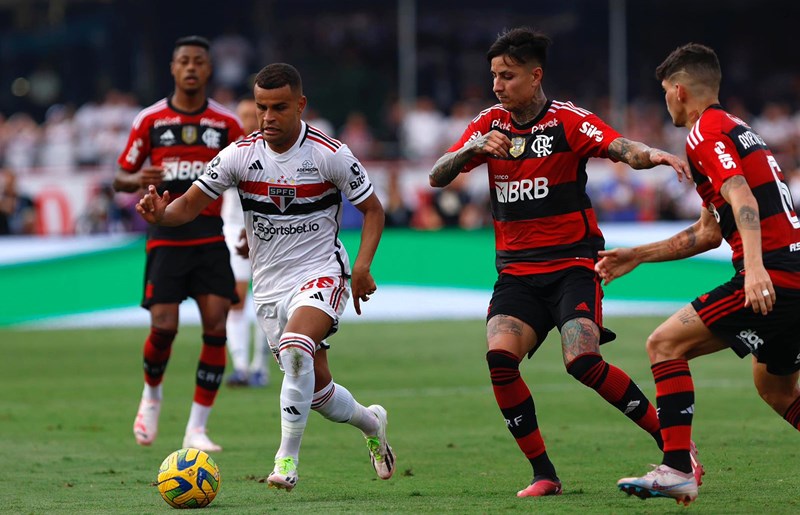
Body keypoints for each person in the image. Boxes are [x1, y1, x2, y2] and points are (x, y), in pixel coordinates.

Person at [429, 27, 699, 498]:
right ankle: (544, 474)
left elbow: (620, 148)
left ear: (535, 77)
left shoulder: (566, 121)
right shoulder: (488, 124)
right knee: (499, 360)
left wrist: (654, 154)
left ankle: (674, 447)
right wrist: (470, 149)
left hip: (573, 265)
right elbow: (437, 175)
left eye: (507, 76)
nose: (497, 86)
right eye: (494, 75)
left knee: (582, 361)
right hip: (516, 270)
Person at [135, 62, 395, 491]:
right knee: (317, 392)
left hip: (322, 273)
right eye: (261, 108)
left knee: (296, 351)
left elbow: (373, 210)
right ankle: (372, 424)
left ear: (301, 105)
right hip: (270, 285)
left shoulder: (330, 154)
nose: (268, 117)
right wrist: (163, 213)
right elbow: (189, 204)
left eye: (279, 108)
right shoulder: (240, 154)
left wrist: (363, 266)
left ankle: (286, 462)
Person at [599, 43, 800, 506]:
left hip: (774, 275)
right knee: (775, 387)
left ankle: (675, 468)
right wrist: (638, 255)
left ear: (680, 90)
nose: (665, 101)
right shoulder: (738, 130)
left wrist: (753, 270)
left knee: (664, 345)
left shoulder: (703, 133)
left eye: (666, 92)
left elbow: (744, 199)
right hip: (791, 272)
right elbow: (710, 232)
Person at [113, 35, 244, 452]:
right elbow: (120, 176)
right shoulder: (149, 120)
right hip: (166, 236)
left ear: (209, 70)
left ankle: (197, 428)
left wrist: (248, 224)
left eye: (199, 62)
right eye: (183, 61)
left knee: (217, 325)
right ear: (173, 68)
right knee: (164, 326)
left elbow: (248, 175)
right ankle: (151, 397)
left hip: (209, 236)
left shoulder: (227, 125)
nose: (191, 68)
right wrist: (138, 180)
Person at [222, 97, 271, 388]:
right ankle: (240, 366)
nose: (246, 121)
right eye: (241, 116)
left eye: (250, 115)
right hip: (233, 229)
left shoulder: (273, 151)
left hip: (267, 232)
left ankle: (260, 367)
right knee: (237, 298)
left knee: (266, 301)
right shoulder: (231, 151)